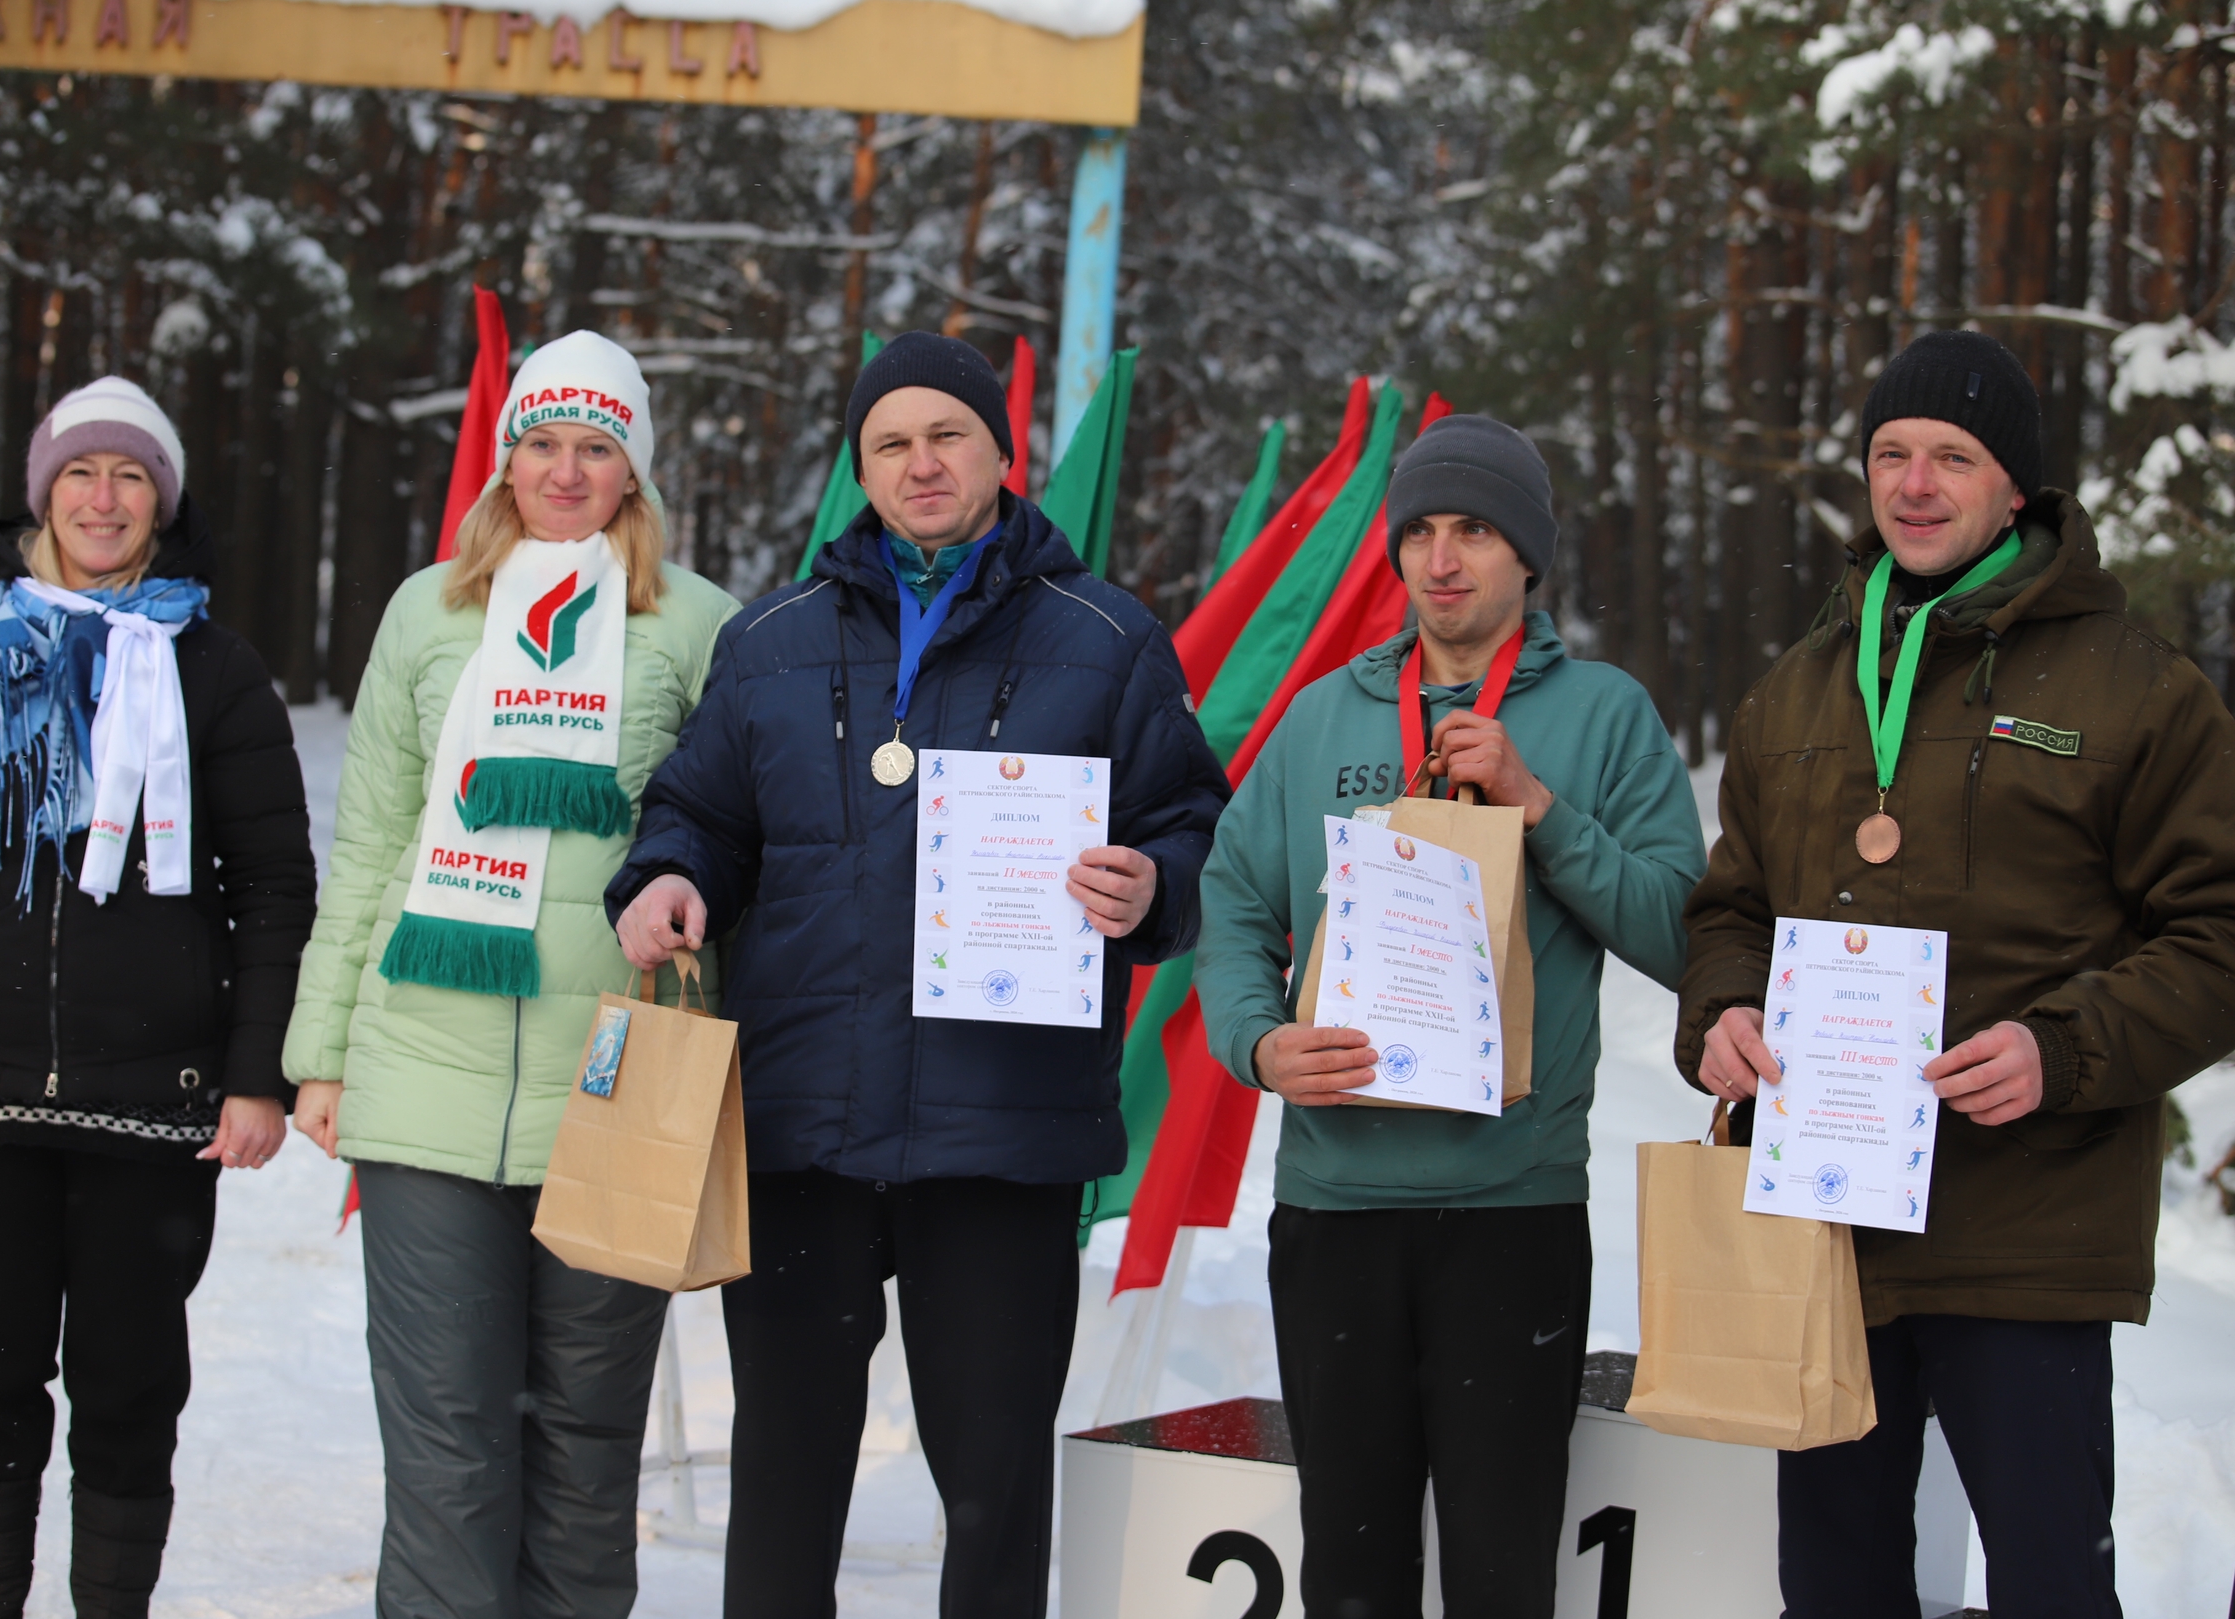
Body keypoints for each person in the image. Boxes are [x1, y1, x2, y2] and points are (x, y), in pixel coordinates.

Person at [605, 331, 1228, 1619]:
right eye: (890, 441)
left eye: (948, 433)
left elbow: (1188, 828)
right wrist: (670, 877)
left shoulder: (1104, 635)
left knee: (993, 1484)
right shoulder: (773, 638)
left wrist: (1152, 886)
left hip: (999, 1130)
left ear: (1004, 452)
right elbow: (699, 813)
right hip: (801, 1125)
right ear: (860, 467)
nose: (921, 462)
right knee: (783, 1477)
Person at [1680, 329, 2235, 1618]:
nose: (1913, 484)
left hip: (2022, 1235)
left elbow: (2217, 929)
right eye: (1890, 453)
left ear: (2015, 488)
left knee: (2046, 1588)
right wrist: (1721, 1012)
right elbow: (1732, 910)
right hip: (1827, 1231)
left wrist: (2067, 1044)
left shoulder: (2135, 689)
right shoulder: (1797, 690)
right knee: (1833, 1586)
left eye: (1951, 456)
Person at [1194, 413, 1704, 1619]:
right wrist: (1260, 1043)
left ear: (1527, 555)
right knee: (1354, 1575)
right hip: (1336, 1215)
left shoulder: (1605, 716)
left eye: (1473, 529)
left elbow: (1686, 930)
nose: (1442, 558)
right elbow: (1228, 905)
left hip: (1510, 1214)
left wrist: (1539, 806)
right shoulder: (1323, 719)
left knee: (1499, 1568)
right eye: (1419, 530)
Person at [0, 375, 317, 1619]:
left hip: (155, 1102)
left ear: (160, 504)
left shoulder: (217, 672)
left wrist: (256, 1069)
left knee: (126, 1390)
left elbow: (274, 886)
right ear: (42, 493)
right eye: (79, 474)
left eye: (128, 477)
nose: (102, 499)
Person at [282, 331, 737, 1619]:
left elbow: (734, 839)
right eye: (542, 441)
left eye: (597, 446)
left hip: (614, 1086)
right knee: (444, 1447)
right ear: (506, 458)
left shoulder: (697, 624)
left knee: (587, 1455)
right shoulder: (427, 611)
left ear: (634, 469)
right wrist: (323, 1048)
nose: (566, 469)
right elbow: (370, 837)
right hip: (424, 1078)